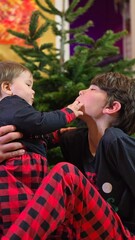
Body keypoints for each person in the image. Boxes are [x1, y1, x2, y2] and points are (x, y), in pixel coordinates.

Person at [1, 72, 135, 239]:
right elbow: (35, 140)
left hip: (123, 234)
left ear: (111, 107)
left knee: (67, 173)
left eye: (92, 89)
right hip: (80, 230)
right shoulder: (73, 140)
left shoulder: (117, 141)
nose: (81, 91)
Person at [0, 61, 83, 237]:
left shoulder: (14, 113)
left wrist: (58, 135)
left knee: (28, 217)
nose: (33, 91)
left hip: (24, 177)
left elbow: (35, 138)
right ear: (7, 87)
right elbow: (40, 122)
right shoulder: (11, 104)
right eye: (28, 84)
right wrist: (68, 112)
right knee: (22, 219)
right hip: (16, 175)